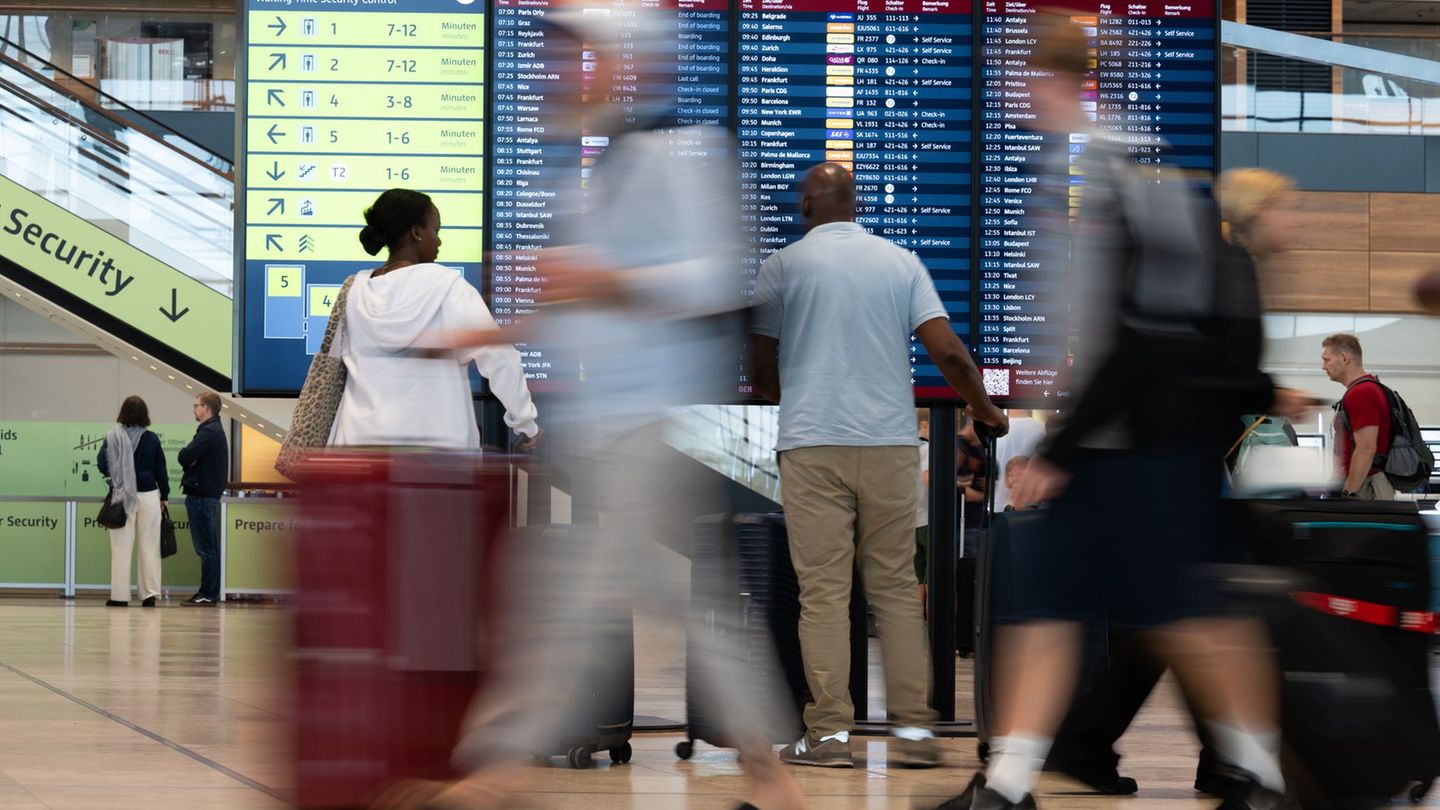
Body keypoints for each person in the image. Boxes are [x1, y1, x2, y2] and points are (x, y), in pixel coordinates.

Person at [381, 8, 807, 809]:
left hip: (651, 424)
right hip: (611, 429)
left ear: (630, 62)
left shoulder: (682, 153)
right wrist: (487, 332)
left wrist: (608, 284)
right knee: (661, 595)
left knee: (562, 593)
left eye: (574, 56)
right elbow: (587, 302)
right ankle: (768, 772)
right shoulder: (604, 167)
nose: (553, 74)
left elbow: (719, 277)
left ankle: (494, 774)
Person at [925, 17, 1314, 810]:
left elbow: (1141, 334)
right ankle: (1005, 788)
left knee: (1190, 618)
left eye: (1016, 74)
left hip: (1144, 444)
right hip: (1112, 441)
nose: (1007, 90)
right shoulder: (1082, 166)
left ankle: (1265, 779)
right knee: (1047, 612)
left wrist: (1059, 447)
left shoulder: (1115, 168)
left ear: (1047, 77)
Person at [750, 162, 1008, 770]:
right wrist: (985, 409)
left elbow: (761, 372)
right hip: (891, 444)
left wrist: (806, 395)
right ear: (855, 204)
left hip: (813, 446)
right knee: (893, 590)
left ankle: (832, 737)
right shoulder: (900, 261)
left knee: (823, 596)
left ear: (808, 207)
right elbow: (948, 350)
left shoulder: (781, 265)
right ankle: (915, 737)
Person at [328, 188, 540, 451]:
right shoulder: (449, 288)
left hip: (356, 450)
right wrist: (525, 422)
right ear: (416, 232)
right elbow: (500, 357)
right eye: (436, 231)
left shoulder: (354, 290)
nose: (438, 242)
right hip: (435, 457)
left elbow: (334, 370)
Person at [96, 395, 168, 608]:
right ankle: (149, 596)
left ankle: (119, 597)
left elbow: (101, 463)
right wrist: (164, 496)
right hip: (148, 495)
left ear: (123, 414)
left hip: (122, 497)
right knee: (150, 547)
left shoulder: (113, 436)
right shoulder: (152, 438)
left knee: (120, 548)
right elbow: (160, 469)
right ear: (144, 414)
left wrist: (117, 474)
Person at [1321, 333, 1394, 500]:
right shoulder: (1367, 389)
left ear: (1345, 358)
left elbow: (1366, 448)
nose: (1323, 367)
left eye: (1327, 360)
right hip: (1363, 483)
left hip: (1363, 487)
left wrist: (1349, 493)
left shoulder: (1361, 393)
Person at [177, 390, 227, 606]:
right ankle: (207, 592)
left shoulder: (210, 431)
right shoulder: (211, 430)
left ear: (206, 408)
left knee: (206, 549)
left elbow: (185, 456)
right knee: (207, 548)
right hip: (202, 495)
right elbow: (188, 458)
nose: (195, 409)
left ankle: (208, 593)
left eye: (196, 405)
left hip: (202, 496)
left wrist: (190, 459)